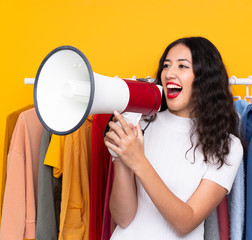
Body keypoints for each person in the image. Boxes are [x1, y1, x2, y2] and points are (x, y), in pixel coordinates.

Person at [104, 36, 243, 239]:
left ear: (205, 78)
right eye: (166, 66)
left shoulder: (226, 146)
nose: (169, 73)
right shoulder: (142, 123)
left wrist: (138, 160)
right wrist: (121, 158)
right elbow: (123, 218)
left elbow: (186, 222)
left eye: (182, 66)